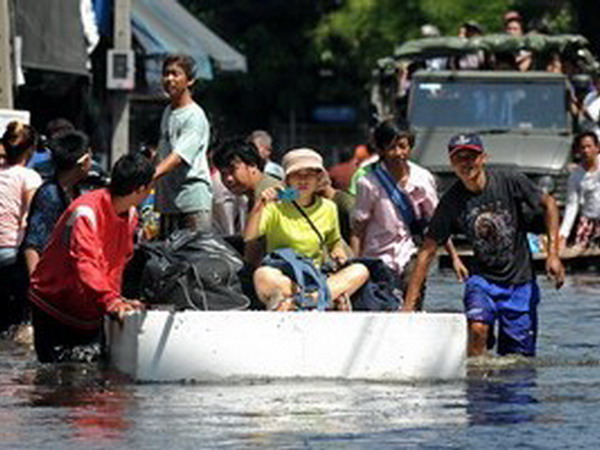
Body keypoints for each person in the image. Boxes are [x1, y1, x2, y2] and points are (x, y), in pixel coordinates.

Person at [403, 133, 565, 357]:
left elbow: (549, 204)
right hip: (482, 280)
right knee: (477, 329)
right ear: (452, 163)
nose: (466, 163)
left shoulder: (509, 181)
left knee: (517, 361)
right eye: (459, 158)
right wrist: (408, 308)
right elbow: (427, 252)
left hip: (519, 281)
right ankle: (477, 386)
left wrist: (553, 254)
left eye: (471, 157)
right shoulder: (451, 202)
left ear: (483, 158)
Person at [28, 153, 154, 363]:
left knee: (88, 379)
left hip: (90, 307)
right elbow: (85, 263)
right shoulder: (85, 212)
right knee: (53, 380)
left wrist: (118, 299)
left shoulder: (130, 215)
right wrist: (110, 300)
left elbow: (119, 262)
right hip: (54, 304)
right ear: (141, 189)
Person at [351, 122, 466, 307]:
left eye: (403, 147)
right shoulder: (368, 183)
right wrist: (354, 264)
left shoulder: (422, 178)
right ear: (381, 150)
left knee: (412, 295)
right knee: (381, 306)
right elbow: (358, 229)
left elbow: (438, 221)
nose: (398, 153)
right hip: (378, 257)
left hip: (411, 252)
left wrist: (454, 257)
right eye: (391, 148)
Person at [245, 148, 369, 311]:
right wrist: (260, 204)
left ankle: (301, 301)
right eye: (297, 174)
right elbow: (249, 236)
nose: (303, 180)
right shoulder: (275, 205)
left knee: (360, 270)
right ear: (287, 180)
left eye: (309, 174)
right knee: (263, 276)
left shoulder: (329, 207)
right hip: (284, 274)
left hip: (316, 275)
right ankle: (323, 299)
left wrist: (338, 252)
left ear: (318, 178)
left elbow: (334, 242)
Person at [153, 54, 212, 239]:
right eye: (166, 74)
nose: (169, 79)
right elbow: (164, 152)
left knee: (194, 260)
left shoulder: (194, 116)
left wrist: (148, 176)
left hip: (191, 203)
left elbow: (178, 157)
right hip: (167, 202)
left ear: (190, 80)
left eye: (175, 74)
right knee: (168, 261)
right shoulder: (168, 111)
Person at [21, 130, 93, 275]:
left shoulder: (74, 191)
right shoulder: (50, 195)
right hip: (47, 280)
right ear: (84, 162)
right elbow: (33, 244)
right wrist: (37, 286)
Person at [0, 122, 42, 331]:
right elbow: (31, 218)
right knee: (17, 321)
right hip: (11, 253)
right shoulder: (29, 177)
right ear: (30, 149)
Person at [559, 132, 600, 250]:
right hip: (588, 222)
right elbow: (572, 206)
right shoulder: (575, 176)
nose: (586, 151)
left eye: (589, 146)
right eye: (583, 147)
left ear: (597, 148)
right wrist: (563, 234)